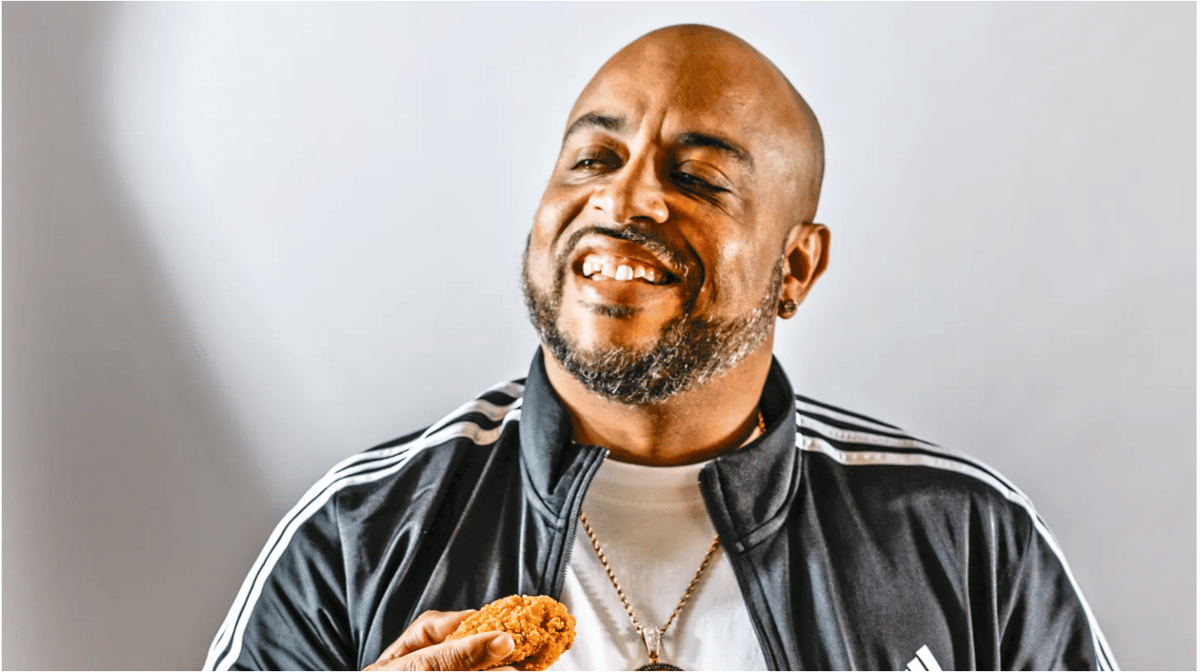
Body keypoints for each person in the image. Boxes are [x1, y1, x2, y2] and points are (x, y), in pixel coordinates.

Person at [203, 24, 1116, 672]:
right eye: (593, 160)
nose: (625, 201)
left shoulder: (960, 540)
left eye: (698, 178)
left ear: (795, 267)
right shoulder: (361, 533)